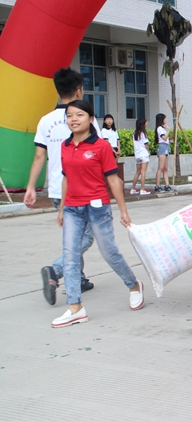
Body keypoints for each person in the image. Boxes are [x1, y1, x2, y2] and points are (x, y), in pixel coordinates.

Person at [52, 100, 144, 328]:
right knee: (70, 257)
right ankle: (75, 308)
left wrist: (123, 211)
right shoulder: (65, 146)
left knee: (109, 252)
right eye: (70, 116)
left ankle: (134, 285)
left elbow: (114, 180)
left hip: (97, 208)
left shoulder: (101, 146)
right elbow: (66, 178)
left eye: (79, 115)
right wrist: (62, 208)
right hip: (72, 208)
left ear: (91, 119)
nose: (74, 119)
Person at [24, 68, 99, 305]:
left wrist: (31, 187)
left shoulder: (45, 121)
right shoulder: (85, 117)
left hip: (57, 189)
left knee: (72, 235)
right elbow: (97, 152)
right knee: (86, 237)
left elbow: (39, 157)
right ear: (78, 91)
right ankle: (55, 270)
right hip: (82, 188)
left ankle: (80, 278)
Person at [129, 118, 151, 195]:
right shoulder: (143, 133)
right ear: (143, 124)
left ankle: (133, 188)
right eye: (146, 122)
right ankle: (142, 189)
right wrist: (149, 152)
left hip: (138, 155)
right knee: (143, 172)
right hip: (144, 154)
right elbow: (146, 145)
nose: (147, 123)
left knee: (138, 172)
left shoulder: (134, 133)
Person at [154, 113, 172, 192]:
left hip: (166, 147)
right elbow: (164, 138)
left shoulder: (163, 128)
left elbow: (165, 139)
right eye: (165, 118)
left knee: (165, 168)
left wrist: (170, 141)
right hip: (162, 148)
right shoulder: (159, 128)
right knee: (160, 168)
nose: (165, 120)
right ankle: (157, 185)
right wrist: (168, 131)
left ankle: (167, 185)